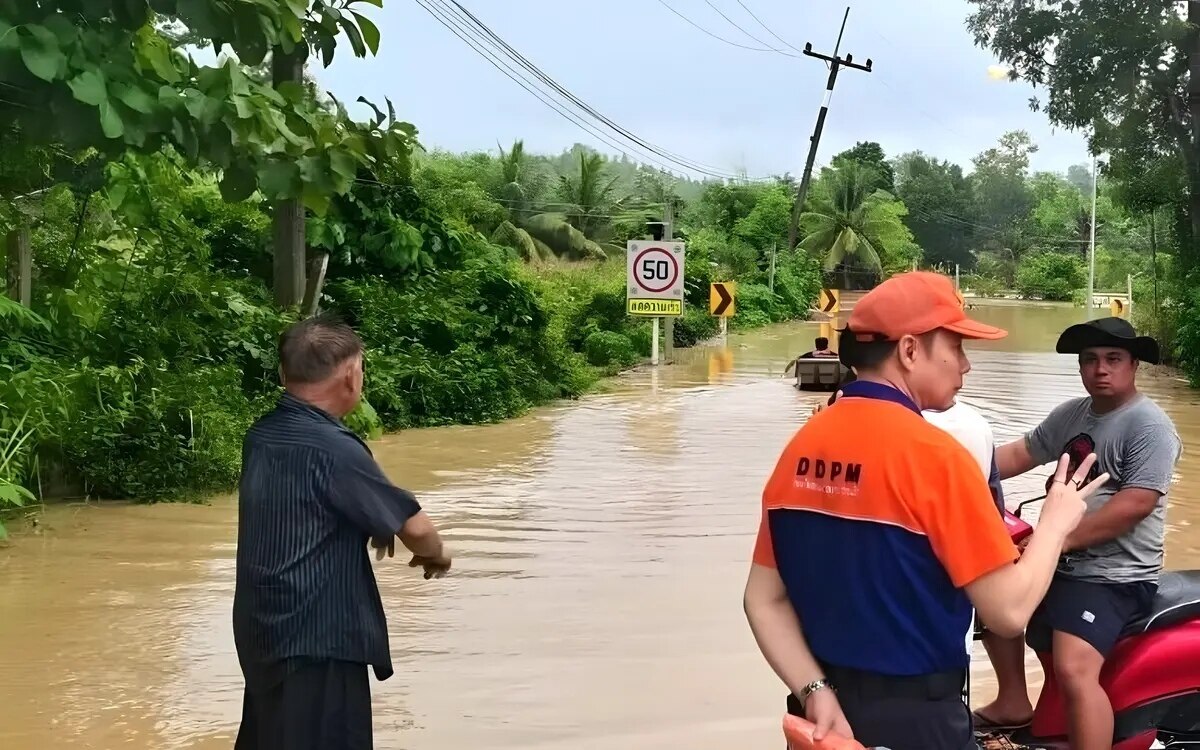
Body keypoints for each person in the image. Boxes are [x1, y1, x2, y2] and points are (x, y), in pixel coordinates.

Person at [744, 272, 1108, 750]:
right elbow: (1008, 613)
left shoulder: (801, 447)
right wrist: (1056, 524)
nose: (965, 366)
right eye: (955, 347)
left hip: (821, 716)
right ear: (911, 351)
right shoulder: (937, 458)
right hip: (917, 721)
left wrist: (814, 692)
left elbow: (762, 600)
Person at [232, 314, 452, 750]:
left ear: (283, 374)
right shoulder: (334, 447)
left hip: (265, 632)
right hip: (319, 638)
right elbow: (419, 529)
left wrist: (364, 520)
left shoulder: (263, 434)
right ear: (351, 376)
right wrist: (436, 555)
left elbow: (298, 503)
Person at [974, 317, 1181, 750]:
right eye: (1090, 360)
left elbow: (1136, 504)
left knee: (1073, 669)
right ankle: (1014, 701)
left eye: (1112, 359)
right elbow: (1018, 454)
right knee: (993, 603)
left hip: (1113, 574)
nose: (1100, 369)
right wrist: (953, 468)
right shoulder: (1073, 413)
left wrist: (1057, 539)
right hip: (1059, 555)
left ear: (1133, 366)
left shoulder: (1149, 426)